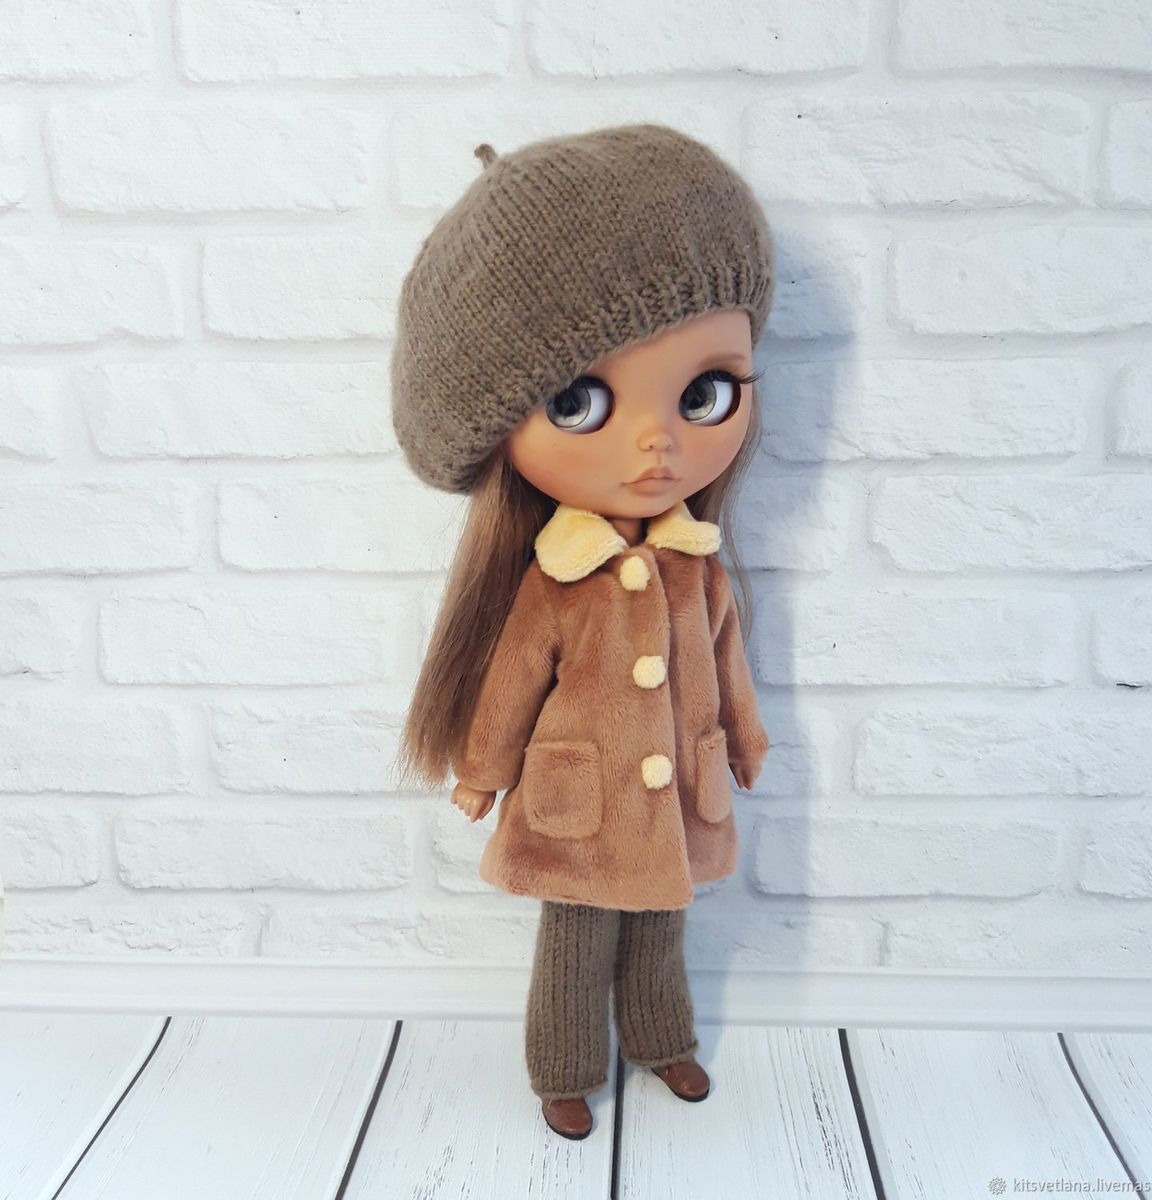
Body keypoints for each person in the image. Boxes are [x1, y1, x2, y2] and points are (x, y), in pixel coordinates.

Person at [390, 123, 774, 1140]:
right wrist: (482, 772)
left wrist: (743, 739)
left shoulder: (696, 561)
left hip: (675, 790)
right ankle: (563, 1066)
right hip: (577, 800)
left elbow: (726, 660)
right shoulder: (556, 579)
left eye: (704, 393)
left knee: (662, 925)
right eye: (580, 402)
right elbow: (513, 681)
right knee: (573, 939)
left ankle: (662, 1039)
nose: (658, 443)